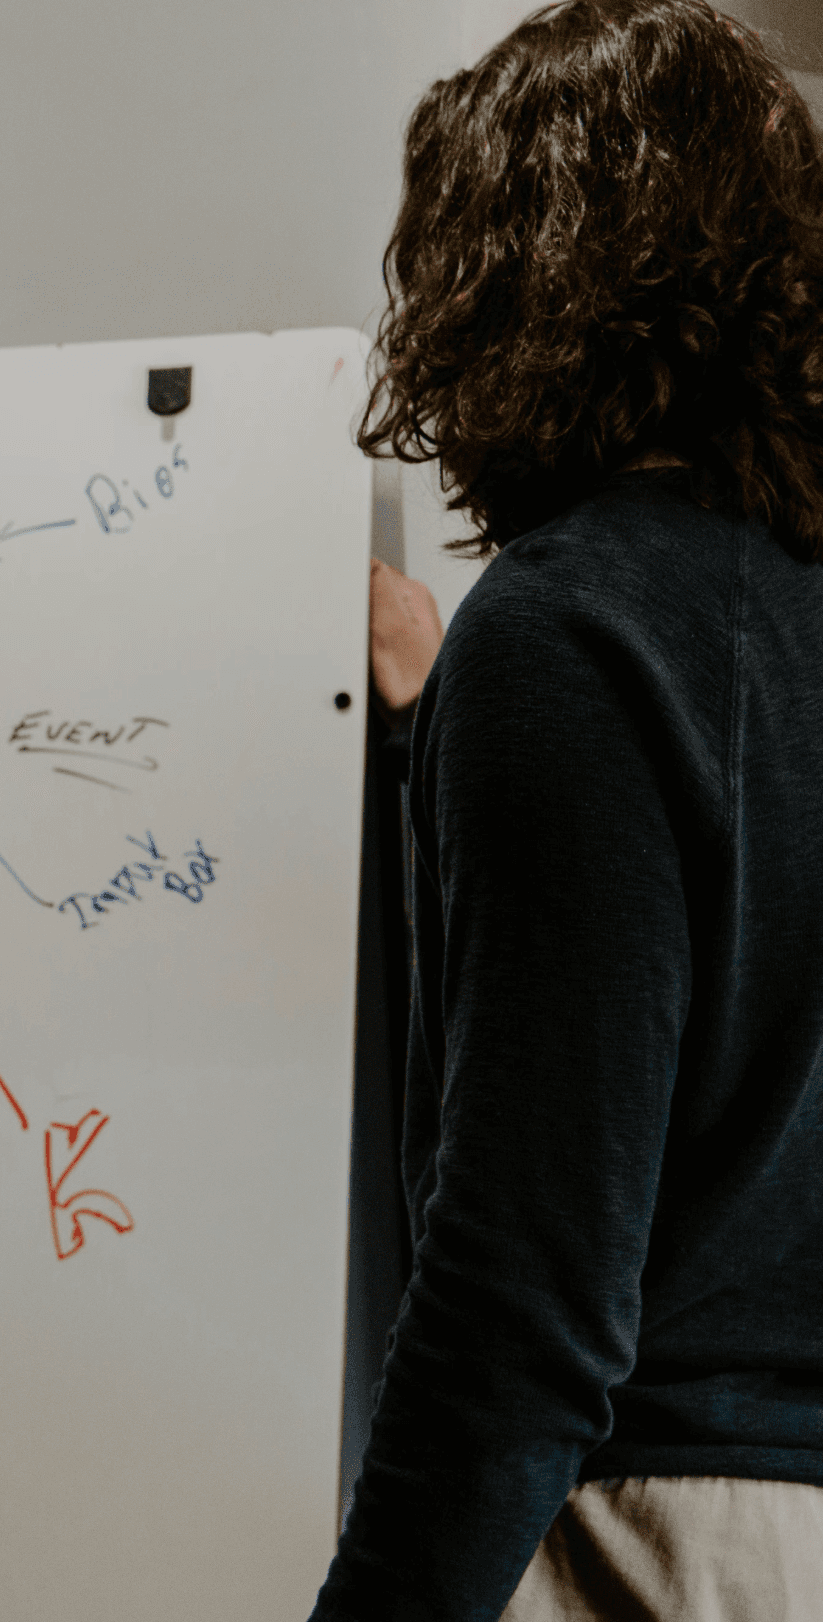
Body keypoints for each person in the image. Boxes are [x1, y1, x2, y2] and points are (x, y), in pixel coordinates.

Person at [313, 2, 823, 1618]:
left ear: (503, 281)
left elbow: (521, 1295)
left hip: (655, 1538)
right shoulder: (770, 614)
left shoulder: (568, 628)